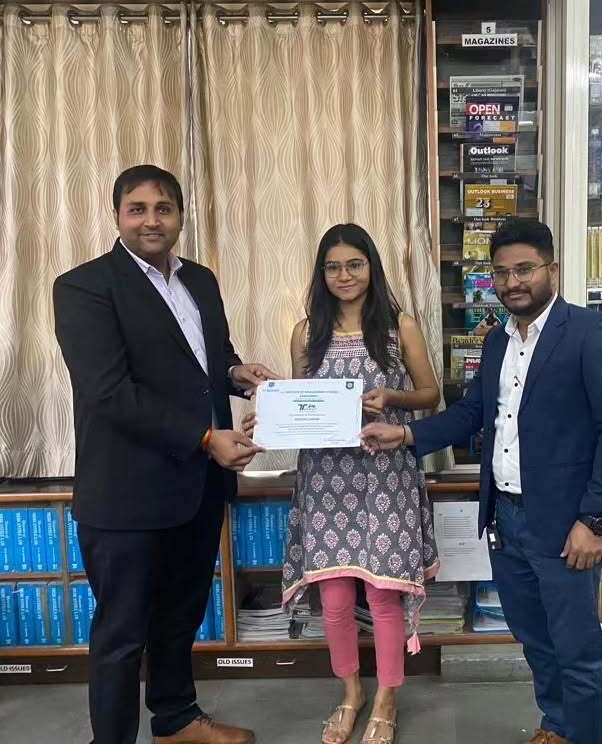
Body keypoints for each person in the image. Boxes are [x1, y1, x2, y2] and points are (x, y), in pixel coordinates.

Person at [360, 218, 602, 744]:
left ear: (553, 269)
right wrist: (405, 434)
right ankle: (557, 726)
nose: (512, 282)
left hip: (567, 524)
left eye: (524, 269)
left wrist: (594, 519)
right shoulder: (496, 342)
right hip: (507, 521)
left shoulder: (589, 333)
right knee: (536, 641)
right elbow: (472, 413)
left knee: (577, 652)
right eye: (501, 273)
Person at [53, 164, 277, 744]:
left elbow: (206, 361)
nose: (151, 220)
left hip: (197, 487)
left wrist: (236, 373)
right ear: (117, 215)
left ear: (180, 216)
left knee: (181, 615)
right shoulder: (84, 287)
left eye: (164, 208)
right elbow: (108, 392)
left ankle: (175, 720)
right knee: (122, 634)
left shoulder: (200, 279)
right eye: (138, 208)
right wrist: (205, 438)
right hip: (127, 492)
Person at [282, 223, 440, 744]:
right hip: (326, 479)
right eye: (333, 267)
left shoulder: (400, 326)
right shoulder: (306, 332)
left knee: (383, 595)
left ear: (371, 267)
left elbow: (430, 395)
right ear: (321, 274)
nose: (344, 275)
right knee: (333, 600)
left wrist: (391, 399)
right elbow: (299, 405)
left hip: (385, 477)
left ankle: (387, 697)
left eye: (354, 264)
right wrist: (271, 413)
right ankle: (351, 693)